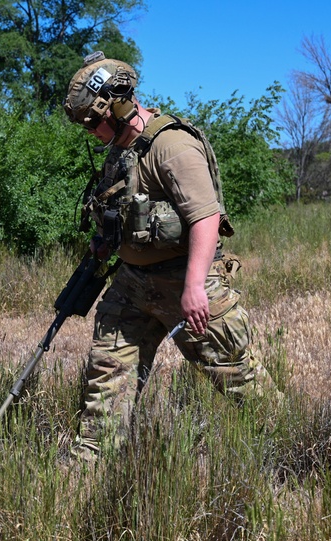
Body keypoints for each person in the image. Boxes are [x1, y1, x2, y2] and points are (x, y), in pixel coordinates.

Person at [62, 52, 280, 459]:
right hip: (132, 283)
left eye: (94, 121)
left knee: (236, 377)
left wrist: (195, 286)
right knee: (106, 373)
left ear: (120, 105)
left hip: (187, 282)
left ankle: (291, 447)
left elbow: (205, 217)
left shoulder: (172, 146)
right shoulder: (120, 149)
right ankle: (90, 460)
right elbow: (121, 208)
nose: (90, 131)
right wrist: (105, 241)